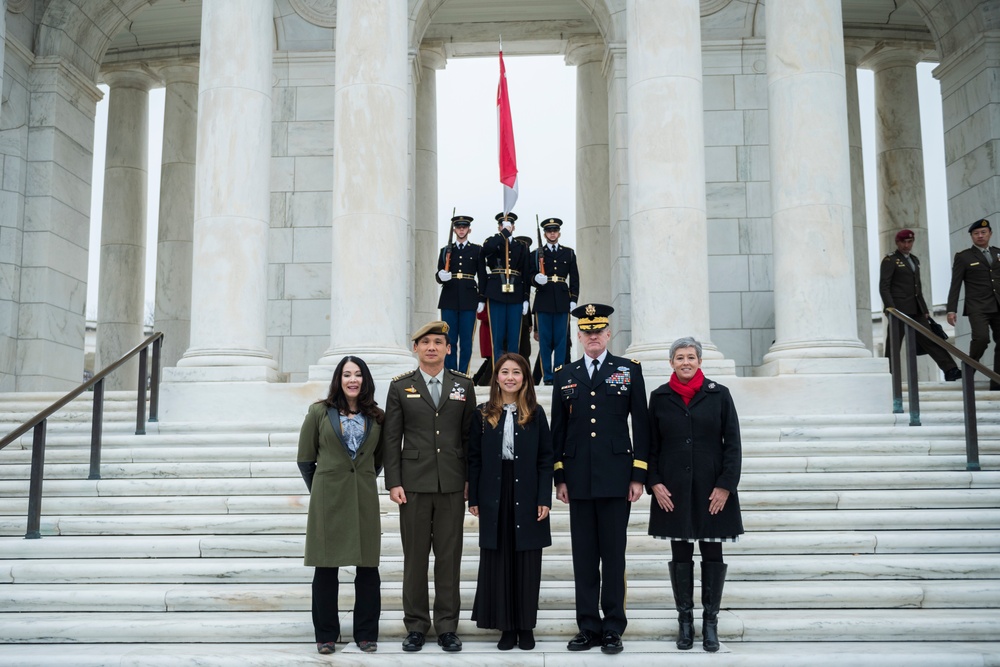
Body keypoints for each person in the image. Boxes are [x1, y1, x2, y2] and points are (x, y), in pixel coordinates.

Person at [550, 303, 650, 654]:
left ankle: (613, 626)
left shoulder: (628, 369)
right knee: (584, 556)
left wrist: (638, 474)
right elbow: (557, 431)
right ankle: (588, 625)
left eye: (599, 331)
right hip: (577, 480)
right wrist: (559, 476)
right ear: (579, 336)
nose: (593, 337)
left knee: (614, 554)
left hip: (616, 477)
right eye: (587, 332)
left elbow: (641, 424)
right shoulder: (564, 374)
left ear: (608, 334)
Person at [382, 321, 477, 653]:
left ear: (449, 349)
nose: (432, 347)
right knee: (416, 557)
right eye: (426, 343)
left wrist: (469, 480)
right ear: (416, 349)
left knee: (449, 557)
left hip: (451, 482)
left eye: (439, 342)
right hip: (414, 484)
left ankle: (448, 626)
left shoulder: (463, 385)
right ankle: (417, 625)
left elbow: (469, 437)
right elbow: (391, 438)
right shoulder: (400, 387)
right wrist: (393, 481)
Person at [646, 337, 744, 653]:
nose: (685, 362)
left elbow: (733, 444)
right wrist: (655, 482)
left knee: (712, 553)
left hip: (712, 488)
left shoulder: (719, 395)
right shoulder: (660, 397)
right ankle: (685, 622)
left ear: (700, 361)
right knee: (681, 553)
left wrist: (726, 485)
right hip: (672, 489)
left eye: (691, 357)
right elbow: (651, 446)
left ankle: (710, 623)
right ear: (671, 363)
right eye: (679, 357)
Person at [297, 355, 385, 655]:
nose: (352, 380)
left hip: (363, 497)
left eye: (358, 374)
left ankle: (366, 633)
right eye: (347, 374)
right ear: (339, 379)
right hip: (328, 498)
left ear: (365, 380)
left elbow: (379, 459)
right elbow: (305, 458)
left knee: (368, 568)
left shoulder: (377, 416)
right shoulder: (319, 412)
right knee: (325, 568)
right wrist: (322, 487)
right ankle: (325, 635)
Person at [468, 352, 553, 651]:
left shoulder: (536, 413)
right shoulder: (481, 414)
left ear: (525, 378)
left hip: (527, 492)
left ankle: (525, 626)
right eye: (504, 372)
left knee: (527, 560)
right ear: (496, 378)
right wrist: (474, 497)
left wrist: (545, 497)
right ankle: (506, 626)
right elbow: (474, 459)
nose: (510, 377)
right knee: (499, 558)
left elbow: (546, 459)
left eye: (516, 372)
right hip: (495, 492)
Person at [879, 229, 960, 381]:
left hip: (916, 310)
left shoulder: (914, 260)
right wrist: (890, 309)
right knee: (894, 346)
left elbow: (918, 288)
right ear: (897, 242)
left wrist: (924, 310)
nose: (906, 245)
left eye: (909, 242)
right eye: (903, 242)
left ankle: (951, 370)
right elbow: (884, 286)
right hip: (898, 310)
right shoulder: (890, 260)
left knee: (931, 339)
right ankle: (887, 376)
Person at [947, 218, 1000, 390]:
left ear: (990, 234)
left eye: (983, 232)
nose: (980, 236)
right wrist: (951, 310)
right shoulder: (963, 257)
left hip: (998, 305)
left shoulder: (998, 253)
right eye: (976, 233)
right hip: (977, 307)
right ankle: (969, 367)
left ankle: (997, 382)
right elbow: (955, 284)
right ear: (971, 236)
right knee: (981, 338)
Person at [531, 218, 579, 386]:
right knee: (544, 342)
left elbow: (575, 279)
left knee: (561, 341)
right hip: (543, 300)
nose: (552, 233)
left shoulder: (569, 253)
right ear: (544, 234)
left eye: (555, 230)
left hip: (562, 299)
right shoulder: (536, 254)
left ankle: (559, 374)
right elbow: (529, 276)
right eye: (549, 230)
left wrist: (573, 299)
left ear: (559, 233)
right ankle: (548, 377)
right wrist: (536, 279)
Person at [436, 214, 486, 374]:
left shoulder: (477, 250)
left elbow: (482, 275)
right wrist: (440, 276)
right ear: (454, 229)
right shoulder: (445, 251)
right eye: (458, 227)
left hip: (469, 299)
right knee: (449, 339)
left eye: (464, 227)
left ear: (469, 229)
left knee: (466, 341)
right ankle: (450, 373)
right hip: (449, 298)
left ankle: (463, 374)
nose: (461, 229)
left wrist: (482, 298)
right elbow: (438, 274)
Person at [481, 212, 530, 363]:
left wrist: (526, 298)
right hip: (496, 293)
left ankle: (514, 370)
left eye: (509, 225)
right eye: (503, 225)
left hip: (515, 293)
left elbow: (526, 272)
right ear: (499, 227)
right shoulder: (493, 242)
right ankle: (498, 372)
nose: (507, 227)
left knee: (513, 338)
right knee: (497, 337)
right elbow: (485, 251)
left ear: (514, 227)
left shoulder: (521, 246)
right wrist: (503, 234)